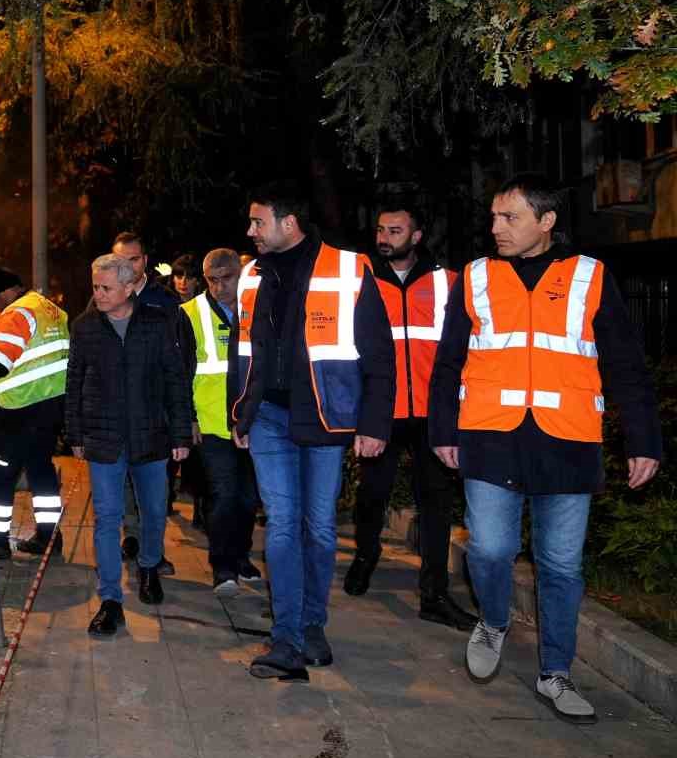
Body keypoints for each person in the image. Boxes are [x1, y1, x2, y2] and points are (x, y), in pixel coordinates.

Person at [429, 173, 661, 724]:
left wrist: (643, 439)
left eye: (510, 217)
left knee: (560, 565)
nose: (496, 228)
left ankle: (555, 672)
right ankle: (494, 618)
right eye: (493, 217)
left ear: (547, 221)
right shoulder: (476, 278)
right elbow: (448, 363)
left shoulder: (588, 276)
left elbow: (625, 365)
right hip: (489, 434)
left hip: (568, 439)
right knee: (487, 549)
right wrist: (442, 430)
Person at [232, 186, 394, 680]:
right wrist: (238, 413)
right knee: (281, 524)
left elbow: (380, 353)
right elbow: (243, 350)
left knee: (319, 528)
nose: (251, 232)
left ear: (289, 222)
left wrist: (374, 423)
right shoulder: (250, 275)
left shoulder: (350, 268)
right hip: (268, 419)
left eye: (258, 222)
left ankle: (312, 624)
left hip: (325, 417)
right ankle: (285, 638)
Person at [345, 203, 477, 630]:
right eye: (381, 229)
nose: (385, 237)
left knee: (436, 504)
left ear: (417, 236)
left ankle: (434, 593)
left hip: (433, 415)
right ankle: (365, 556)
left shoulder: (449, 283)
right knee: (371, 496)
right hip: (381, 412)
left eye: (396, 230)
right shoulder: (360, 282)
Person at [66, 254, 193, 634]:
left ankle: (150, 566)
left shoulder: (157, 324)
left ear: (127, 288)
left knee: (154, 512)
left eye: (105, 288)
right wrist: (74, 434)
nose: (98, 294)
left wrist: (181, 434)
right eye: (95, 287)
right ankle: (110, 600)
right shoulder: (85, 327)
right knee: (107, 518)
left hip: (151, 435)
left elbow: (175, 379)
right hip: (103, 439)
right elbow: (74, 383)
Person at [0, 268, 69, 559]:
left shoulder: (17, 313)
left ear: (6, 291)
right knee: (41, 471)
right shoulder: (52, 309)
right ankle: (49, 538)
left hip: (19, 409)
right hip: (50, 406)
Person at [110, 232, 191, 575]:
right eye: (120, 260)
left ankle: (152, 551)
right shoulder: (103, 297)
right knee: (124, 479)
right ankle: (132, 536)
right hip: (117, 410)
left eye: (133, 259)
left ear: (144, 261)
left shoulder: (167, 302)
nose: (126, 266)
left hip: (156, 411)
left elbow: (184, 357)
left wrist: (182, 416)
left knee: (155, 485)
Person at [186, 248, 263, 597]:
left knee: (249, 499)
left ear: (240, 274)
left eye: (226, 279)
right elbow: (178, 374)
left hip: (255, 423)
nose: (219, 287)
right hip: (213, 423)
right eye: (212, 280)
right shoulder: (188, 315)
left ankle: (241, 555)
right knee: (224, 495)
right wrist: (187, 418)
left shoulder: (259, 307)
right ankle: (223, 567)